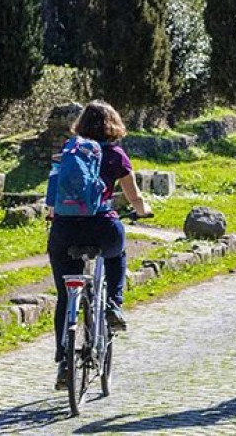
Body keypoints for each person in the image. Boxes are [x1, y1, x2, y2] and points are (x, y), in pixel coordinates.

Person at [45, 100, 152, 390]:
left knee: (66, 296)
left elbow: (53, 195)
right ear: (113, 125)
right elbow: (134, 197)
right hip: (102, 226)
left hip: (65, 231)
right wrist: (143, 211)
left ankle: (64, 362)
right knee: (117, 252)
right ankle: (114, 305)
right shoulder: (116, 154)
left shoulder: (70, 152)